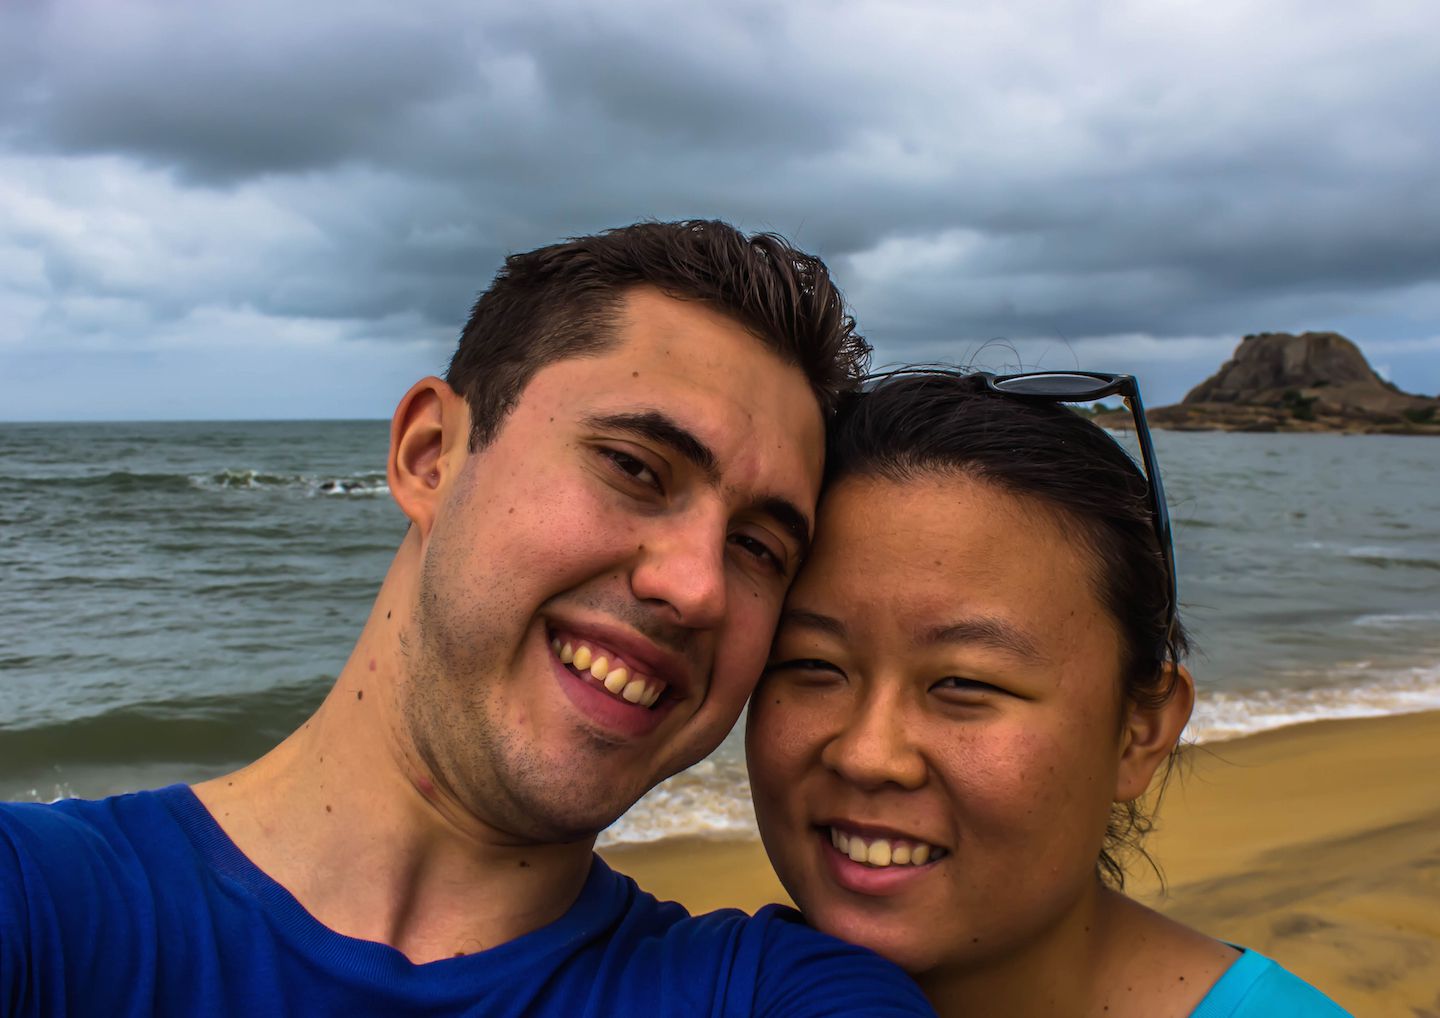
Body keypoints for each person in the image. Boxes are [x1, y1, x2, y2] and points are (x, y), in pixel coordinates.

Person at [0, 221, 933, 1017]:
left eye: (759, 549)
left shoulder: (771, 995)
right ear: (430, 455)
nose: (698, 588)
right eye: (635, 468)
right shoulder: (44, 912)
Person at [746, 369, 1348, 1016]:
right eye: (811, 664)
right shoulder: (686, 981)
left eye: (962, 682)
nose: (866, 754)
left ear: (1139, 730)